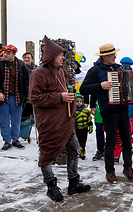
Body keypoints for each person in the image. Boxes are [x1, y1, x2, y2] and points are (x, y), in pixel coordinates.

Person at [29, 35, 90, 202]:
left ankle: (73, 183)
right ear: (51, 57)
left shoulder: (61, 71)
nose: (64, 58)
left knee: (74, 150)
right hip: (49, 122)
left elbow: (63, 92)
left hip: (66, 120)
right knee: (47, 155)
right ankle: (51, 186)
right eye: (60, 55)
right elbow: (34, 98)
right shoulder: (38, 73)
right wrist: (60, 97)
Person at [80, 43, 133, 183]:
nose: (115, 57)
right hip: (108, 110)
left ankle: (128, 167)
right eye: (113, 55)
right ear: (104, 56)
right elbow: (83, 89)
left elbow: (128, 84)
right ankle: (110, 171)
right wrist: (100, 85)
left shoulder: (118, 68)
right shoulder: (95, 70)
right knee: (111, 141)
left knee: (127, 139)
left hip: (123, 108)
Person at [0, 45, 29, 151]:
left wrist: (27, 95)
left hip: (17, 96)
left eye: (8, 53)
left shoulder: (21, 65)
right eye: (4, 52)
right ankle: (7, 141)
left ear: (14, 54)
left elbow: (26, 81)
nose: (5, 54)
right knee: (4, 120)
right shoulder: (0, 64)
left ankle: (15, 140)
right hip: (3, 96)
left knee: (16, 120)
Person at [75, 93, 93, 160]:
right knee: (77, 142)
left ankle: (83, 153)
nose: (78, 103)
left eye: (80, 101)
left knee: (83, 142)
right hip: (77, 129)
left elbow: (89, 119)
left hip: (84, 129)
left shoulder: (86, 111)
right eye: (76, 101)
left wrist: (90, 126)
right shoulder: (73, 111)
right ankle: (76, 153)